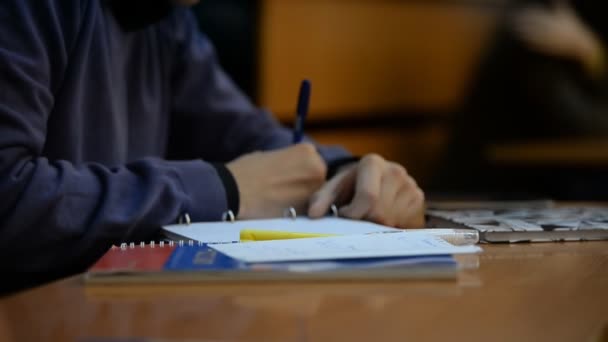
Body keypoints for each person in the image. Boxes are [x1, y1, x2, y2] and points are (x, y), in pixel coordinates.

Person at [0, 0, 424, 291]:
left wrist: (345, 173)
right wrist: (228, 187)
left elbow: (241, 129)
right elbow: (9, 195)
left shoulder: (169, 20)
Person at [431, 0, 608, 199]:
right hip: (488, 194)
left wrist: (592, 54)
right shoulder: (538, 25)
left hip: (539, 187)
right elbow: (584, 127)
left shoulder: (581, 27)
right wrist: (591, 54)